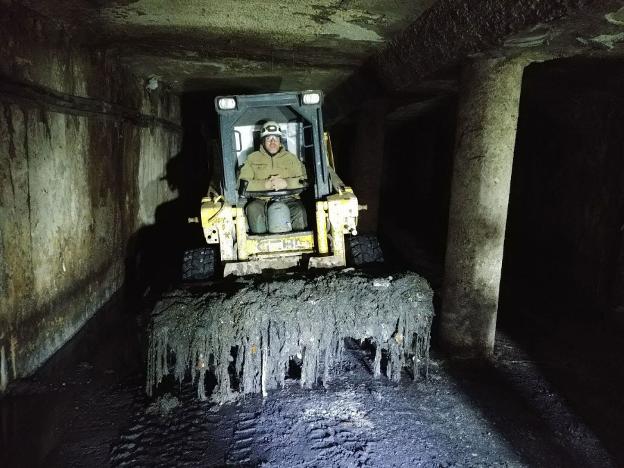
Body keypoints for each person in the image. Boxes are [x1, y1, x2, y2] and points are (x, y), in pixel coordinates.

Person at [238, 121, 308, 234]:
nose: (272, 142)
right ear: (263, 142)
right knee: (252, 209)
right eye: (268, 139)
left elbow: (303, 181)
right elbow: (242, 184)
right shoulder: (252, 159)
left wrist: (286, 183)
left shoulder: (291, 158)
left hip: (289, 199)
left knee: (299, 210)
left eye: (275, 138)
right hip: (261, 200)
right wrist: (265, 185)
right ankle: (259, 244)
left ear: (280, 141)